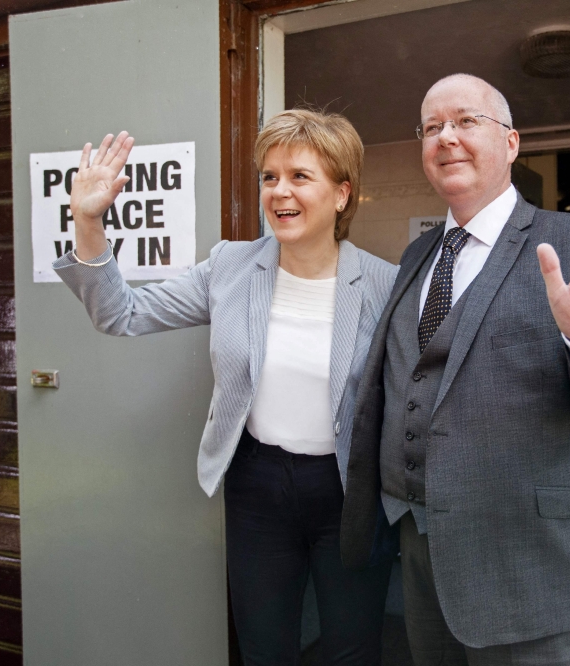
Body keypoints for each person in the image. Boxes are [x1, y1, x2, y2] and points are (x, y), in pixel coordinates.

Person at [340, 73, 570, 665]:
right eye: (432, 127)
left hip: (538, 569)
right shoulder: (418, 256)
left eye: (467, 121)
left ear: (512, 143)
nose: (447, 137)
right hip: (426, 557)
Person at [54, 109, 397, 666]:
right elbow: (122, 314)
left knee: (352, 648)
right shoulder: (231, 267)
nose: (279, 191)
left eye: (299, 176)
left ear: (341, 194)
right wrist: (89, 223)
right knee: (263, 646)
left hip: (349, 491)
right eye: (269, 176)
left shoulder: (386, 283)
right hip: (257, 484)